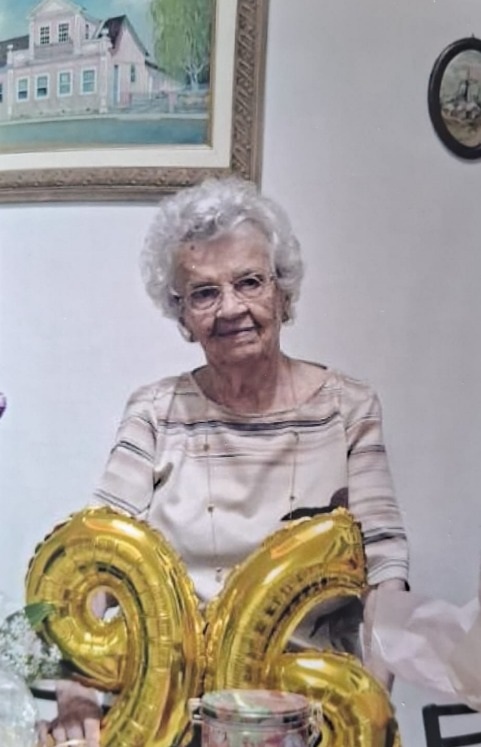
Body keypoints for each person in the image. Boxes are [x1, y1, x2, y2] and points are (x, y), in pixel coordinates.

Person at [40, 176, 409, 746]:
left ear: (283, 294)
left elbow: (385, 574)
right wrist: (77, 694)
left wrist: (370, 711)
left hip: (306, 717)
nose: (231, 308)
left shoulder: (347, 409)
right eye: (204, 293)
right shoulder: (155, 412)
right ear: (183, 317)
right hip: (168, 713)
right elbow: (97, 560)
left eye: (249, 282)